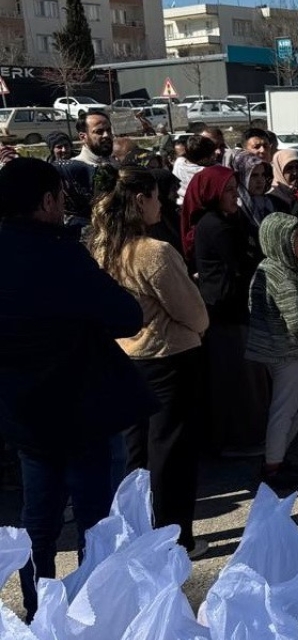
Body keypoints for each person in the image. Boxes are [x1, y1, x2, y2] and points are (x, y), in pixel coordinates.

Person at [0, 158, 155, 618]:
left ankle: (39, 611)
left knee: (38, 522)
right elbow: (126, 315)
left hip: (23, 413)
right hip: (82, 409)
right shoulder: (60, 255)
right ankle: (94, 612)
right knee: (96, 522)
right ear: (48, 201)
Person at [86, 164, 210, 559]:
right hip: (168, 357)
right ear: (140, 201)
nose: (162, 203)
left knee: (134, 454)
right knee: (171, 452)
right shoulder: (154, 252)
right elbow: (194, 313)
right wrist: (198, 325)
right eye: (156, 196)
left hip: (124, 356)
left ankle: (136, 534)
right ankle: (174, 539)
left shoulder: (100, 249)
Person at [188, 165, 267, 455]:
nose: (235, 196)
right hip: (225, 311)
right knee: (236, 378)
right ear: (213, 194)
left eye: (236, 189)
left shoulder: (227, 220)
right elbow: (242, 263)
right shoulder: (216, 225)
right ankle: (237, 441)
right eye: (229, 191)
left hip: (231, 308)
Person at [246, 212, 298, 490]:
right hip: (287, 352)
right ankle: (273, 466)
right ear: (283, 243)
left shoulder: (266, 267)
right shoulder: (284, 276)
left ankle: (275, 456)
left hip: (273, 349)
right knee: (285, 408)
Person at [173, 134, 218, 206]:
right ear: (205, 158)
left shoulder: (179, 162)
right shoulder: (207, 173)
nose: (215, 156)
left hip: (181, 204)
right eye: (212, 154)